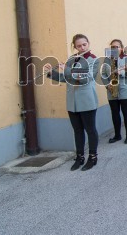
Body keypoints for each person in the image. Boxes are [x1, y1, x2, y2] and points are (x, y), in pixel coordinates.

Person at [44, 34, 99, 171]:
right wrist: (52, 73)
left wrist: (67, 69)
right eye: (79, 45)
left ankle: (92, 157)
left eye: (84, 44)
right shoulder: (72, 59)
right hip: (72, 101)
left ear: (88, 44)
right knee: (77, 130)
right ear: (75, 46)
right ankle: (79, 157)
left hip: (86, 100)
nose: (82, 47)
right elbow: (66, 78)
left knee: (90, 130)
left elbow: (85, 77)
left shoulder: (93, 60)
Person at [104, 39, 127, 144]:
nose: (115, 49)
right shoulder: (107, 59)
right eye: (113, 47)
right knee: (115, 113)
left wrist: (123, 72)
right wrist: (107, 85)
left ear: (122, 48)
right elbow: (103, 74)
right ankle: (117, 135)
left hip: (124, 87)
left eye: (117, 47)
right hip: (111, 89)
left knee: (126, 112)